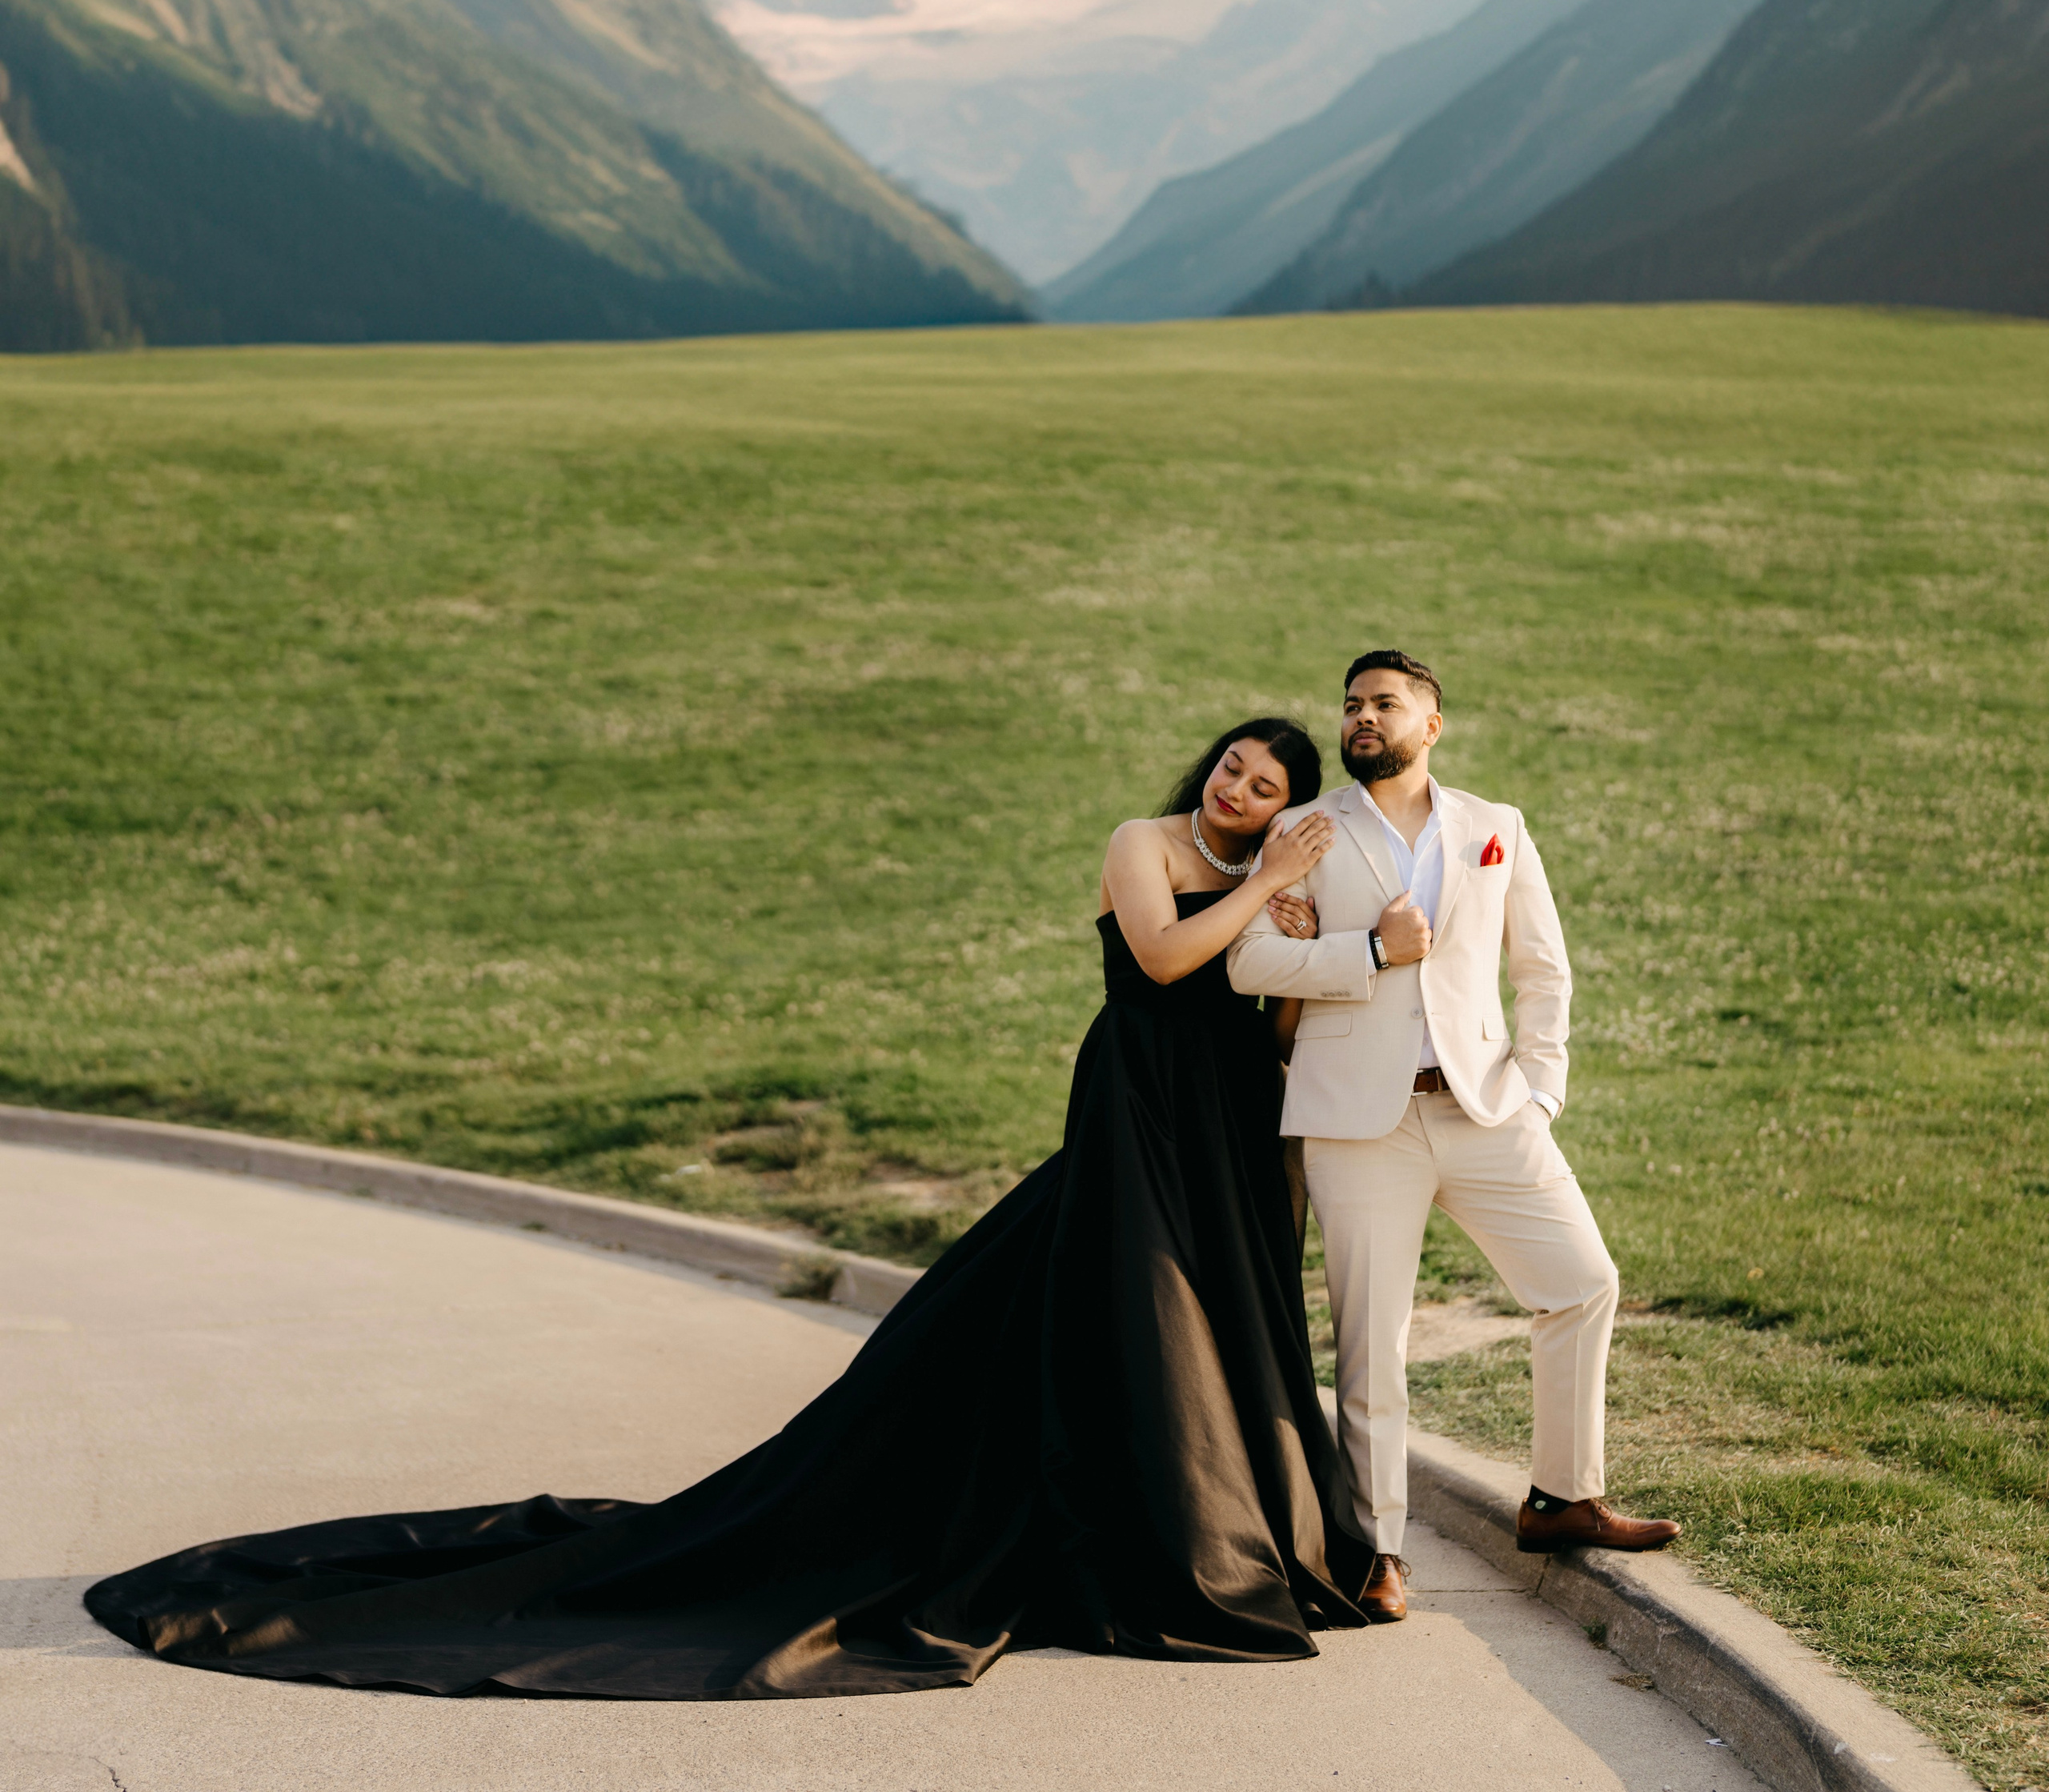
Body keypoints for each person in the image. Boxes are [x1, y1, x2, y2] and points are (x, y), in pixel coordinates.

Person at [86, 717, 1386, 1700]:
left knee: (1206, 1324)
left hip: (1229, 1121)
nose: (1241, 789)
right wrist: (1258, 880)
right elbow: (1162, 955)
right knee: (1135, 1305)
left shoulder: (1269, 873)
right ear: (1208, 771)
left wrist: (1298, 916)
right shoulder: (1147, 847)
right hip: (1133, 1108)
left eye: (1268, 784)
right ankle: (1172, 1542)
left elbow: (1269, 1010)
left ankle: (1234, 1528)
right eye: (1232, 768)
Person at [1228, 651, 1679, 1625]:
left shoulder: (1495, 829)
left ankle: (1563, 1498)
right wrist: (1366, 951)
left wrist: (1539, 1093)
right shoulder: (1303, 832)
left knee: (1581, 1281)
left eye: (1384, 704)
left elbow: (1544, 972)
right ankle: (1376, 1552)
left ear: (1430, 725)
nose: (1362, 718)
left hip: (1484, 1105)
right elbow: (1252, 960)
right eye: (1351, 705)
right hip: (1357, 1122)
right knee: (1371, 1342)